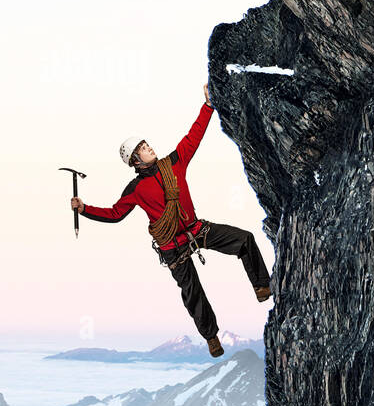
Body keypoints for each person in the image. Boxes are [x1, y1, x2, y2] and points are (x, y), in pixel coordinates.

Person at [71, 84, 272, 357]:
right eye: (142, 148)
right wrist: (84, 209)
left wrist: (208, 106)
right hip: (172, 247)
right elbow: (115, 214)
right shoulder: (135, 189)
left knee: (243, 239)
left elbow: (193, 137)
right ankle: (212, 338)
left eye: (147, 144)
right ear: (135, 160)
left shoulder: (174, 163)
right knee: (193, 292)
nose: (149, 148)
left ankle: (261, 285)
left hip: (195, 229)